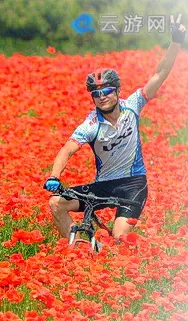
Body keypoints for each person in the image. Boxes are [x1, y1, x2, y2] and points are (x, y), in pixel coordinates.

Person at [44, 14, 186, 240]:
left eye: (107, 91)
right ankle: (80, 251)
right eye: (96, 94)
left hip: (133, 184)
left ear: (118, 91)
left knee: (119, 236)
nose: (102, 97)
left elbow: (160, 73)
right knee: (56, 204)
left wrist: (176, 41)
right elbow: (67, 149)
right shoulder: (91, 124)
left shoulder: (133, 105)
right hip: (104, 185)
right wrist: (54, 175)